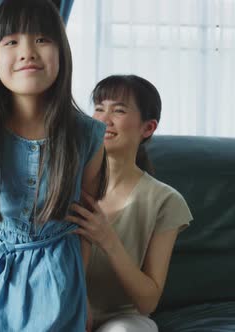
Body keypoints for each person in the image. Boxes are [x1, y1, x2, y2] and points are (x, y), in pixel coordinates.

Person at [0, 0, 107, 330]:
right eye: (11, 42)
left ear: (62, 51)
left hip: (58, 281)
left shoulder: (87, 136)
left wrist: (78, 290)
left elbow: (85, 228)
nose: (27, 52)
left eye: (42, 39)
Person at [66, 75, 193, 332]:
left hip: (121, 320)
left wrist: (108, 239)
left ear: (148, 128)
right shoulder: (66, 184)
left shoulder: (166, 201)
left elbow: (148, 302)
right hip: (64, 307)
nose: (104, 120)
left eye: (119, 110)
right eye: (99, 108)